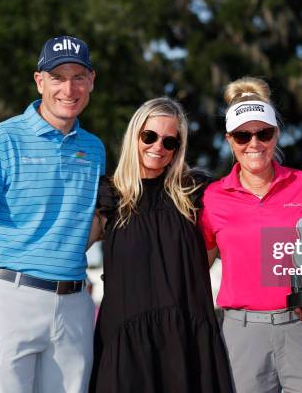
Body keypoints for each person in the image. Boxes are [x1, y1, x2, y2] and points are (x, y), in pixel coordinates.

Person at [0, 35, 105, 393]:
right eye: (57, 77)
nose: (69, 88)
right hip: (8, 301)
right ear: (39, 81)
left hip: (75, 307)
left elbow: (84, 230)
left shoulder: (95, 149)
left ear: (91, 81)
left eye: (79, 77)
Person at [200, 77, 302, 392]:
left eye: (263, 133)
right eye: (242, 135)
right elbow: (197, 267)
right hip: (242, 335)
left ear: (276, 134)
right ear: (228, 139)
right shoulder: (212, 198)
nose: (254, 144)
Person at [89, 97, 233, 393]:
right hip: (125, 341)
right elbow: (66, 249)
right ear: (134, 136)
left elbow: (233, 239)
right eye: (149, 136)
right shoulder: (109, 196)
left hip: (186, 339)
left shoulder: (196, 192)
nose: (158, 147)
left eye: (170, 142)